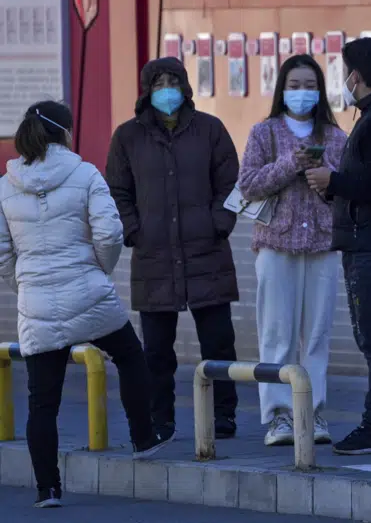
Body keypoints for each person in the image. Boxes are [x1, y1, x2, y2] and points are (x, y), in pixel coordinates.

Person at [0, 102, 171, 508]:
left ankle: (48, 490)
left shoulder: (6, 185)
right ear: (65, 133)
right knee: (130, 356)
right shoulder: (85, 172)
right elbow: (110, 234)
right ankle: (143, 438)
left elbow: (2, 253)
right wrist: (100, 271)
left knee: (43, 401)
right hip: (89, 292)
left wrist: (23, 284)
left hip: (37, 303)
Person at [106, 57, 240, 441]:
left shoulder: (210, 130)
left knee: (218, 343)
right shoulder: (127, 137)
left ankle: (224, 414)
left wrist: (219, 224)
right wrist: (134, 230)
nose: (167, 88)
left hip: (207, 253)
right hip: (154, 256)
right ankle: (160, 418)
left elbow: (232, 182)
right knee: (157, 351)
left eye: (174, 80)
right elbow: (117, 190)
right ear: (147, 90)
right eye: (158, 82)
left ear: (185, 86)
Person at [302, 38, 371, 455]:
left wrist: (335, 182)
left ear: (356, 77)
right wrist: (333, 188)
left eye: (344, 71)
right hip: (364, 239)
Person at [238, 54, 348, 447]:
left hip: (322, 244)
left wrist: (328, 181)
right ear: (282, 89)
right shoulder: (264, 132)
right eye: (295, 85)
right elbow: (248, 184)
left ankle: (313, 412)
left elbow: (346, 190)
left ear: (321, 90)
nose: (302, 93)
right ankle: (279, 417)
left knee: (316, 335)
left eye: (309, 85)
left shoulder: (335, 137)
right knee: (276, 334)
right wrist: (289, 164)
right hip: (275, 244)